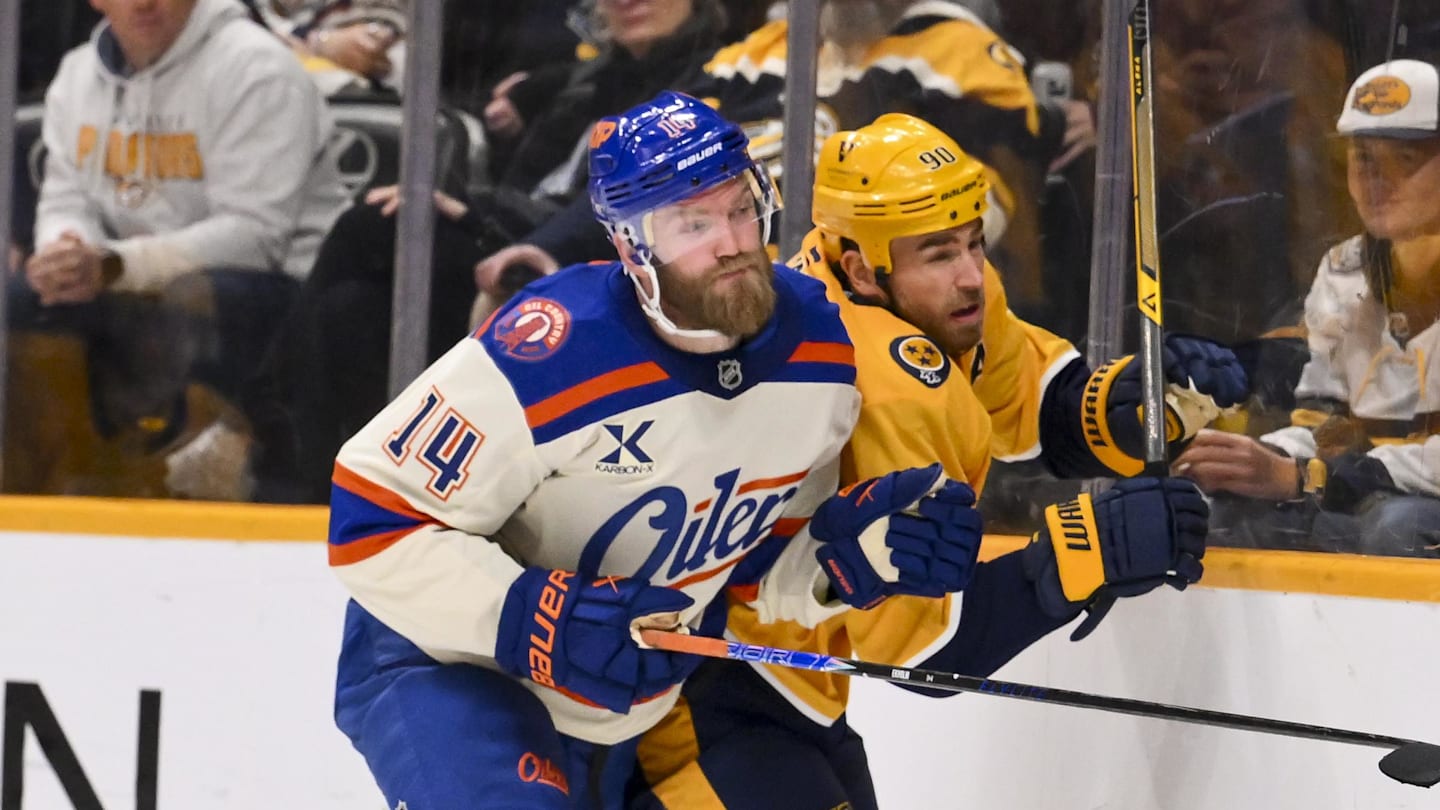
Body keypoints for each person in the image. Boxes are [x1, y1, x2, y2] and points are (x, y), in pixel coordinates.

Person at [327, 91, 988, 809]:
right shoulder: (553, 348)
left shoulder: (818, 354)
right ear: (631, 246)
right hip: (445, 662)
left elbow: (754, 566)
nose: (733, 240)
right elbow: (372, 519)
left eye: (740, 207)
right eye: (693, 223)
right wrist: (530, 613)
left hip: (614, 693)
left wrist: (853, 559)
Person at [632, 114, 1240, 809]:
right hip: (696, 694)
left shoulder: (897, 285)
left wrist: (1117, 409)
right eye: (939, 253)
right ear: (861, 266)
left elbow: (1026, 407)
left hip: (791, 688)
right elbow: (931, 655)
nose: (972, 277)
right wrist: (1087, 552)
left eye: (974, 243)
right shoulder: (878, 381)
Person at [251, 0, 731, 503]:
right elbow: (518, 166)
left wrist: (477, 214)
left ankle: (261, 424)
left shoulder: (715, 84)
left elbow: (621, 201)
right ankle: (334, 498)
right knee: (350, 310)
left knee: (373, 225)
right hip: (512, 242)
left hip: (581, 273)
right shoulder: (591, 80)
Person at [472, 0, 1094, 321]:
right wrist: (551, 246)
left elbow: (968, 222)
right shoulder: (757, 54)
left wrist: (817, 284)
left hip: (861, 306)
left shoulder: (962, 51)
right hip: (716, 286)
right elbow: (654, 167)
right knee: (518, 304)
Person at [11, 0, 348, 499]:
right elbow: (66, 199)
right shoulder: (77, 75)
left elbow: (255, 236)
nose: (144, 2)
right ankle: (42, 492)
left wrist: (115, 266)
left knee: (193, 297)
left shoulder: (256, 68)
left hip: (278, 291)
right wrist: (65, 252)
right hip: (128, 277)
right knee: (19, 302)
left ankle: (198, 490)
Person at [1175, 58, 1440, 556]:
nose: (1377, 180)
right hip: (1365, 492)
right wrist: (1260, 459)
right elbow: (1323, 421)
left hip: (1406, 506)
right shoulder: (1344, 269)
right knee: (1219, 512)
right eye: (1363, 158)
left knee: (1395, 527)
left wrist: (1308, 476)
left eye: (1406, 159)